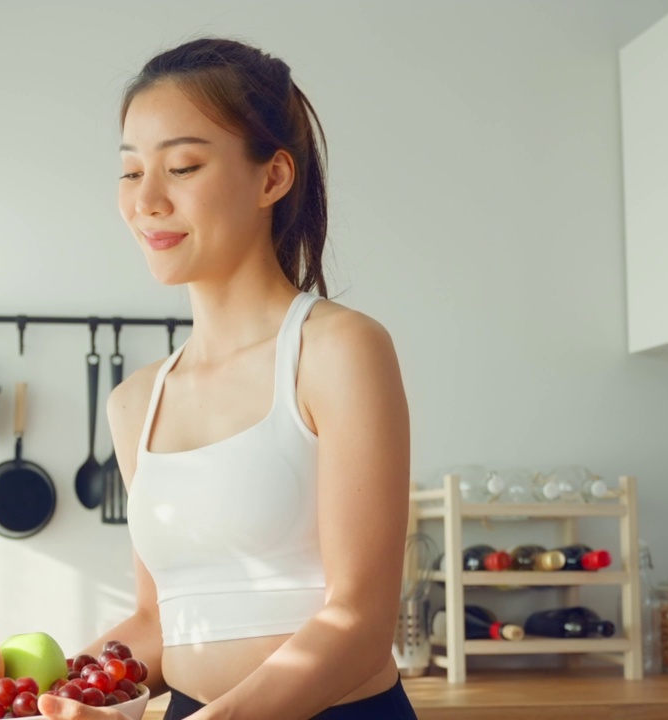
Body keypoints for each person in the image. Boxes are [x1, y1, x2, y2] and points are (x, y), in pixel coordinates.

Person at [39, 37, 415, 720]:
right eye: (129, 171)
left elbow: (360, 623)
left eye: (181, 166)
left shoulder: (338, 351)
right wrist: (47, 698)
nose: (145, 199)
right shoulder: (135, 403)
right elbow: (157, 622)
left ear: (272, 178)